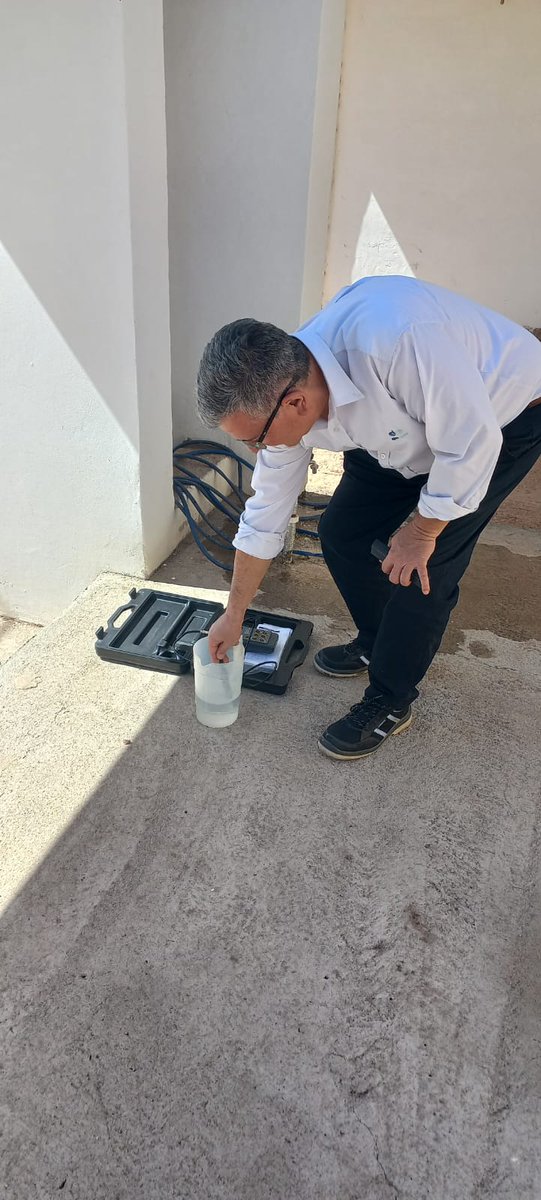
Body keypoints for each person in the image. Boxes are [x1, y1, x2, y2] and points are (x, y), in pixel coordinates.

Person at [196, 276, 541, 761]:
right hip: (399, 426)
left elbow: (470, 444)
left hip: (502, 415)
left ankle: (390, 699)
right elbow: (265, 515)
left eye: (256, 439)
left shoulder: (397, 342)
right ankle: (377, 641)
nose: (257, 450)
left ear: (296, 402)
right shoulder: (286, 393)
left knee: (422, 569)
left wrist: (422, 530)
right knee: (343, 532)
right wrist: (234, 616)